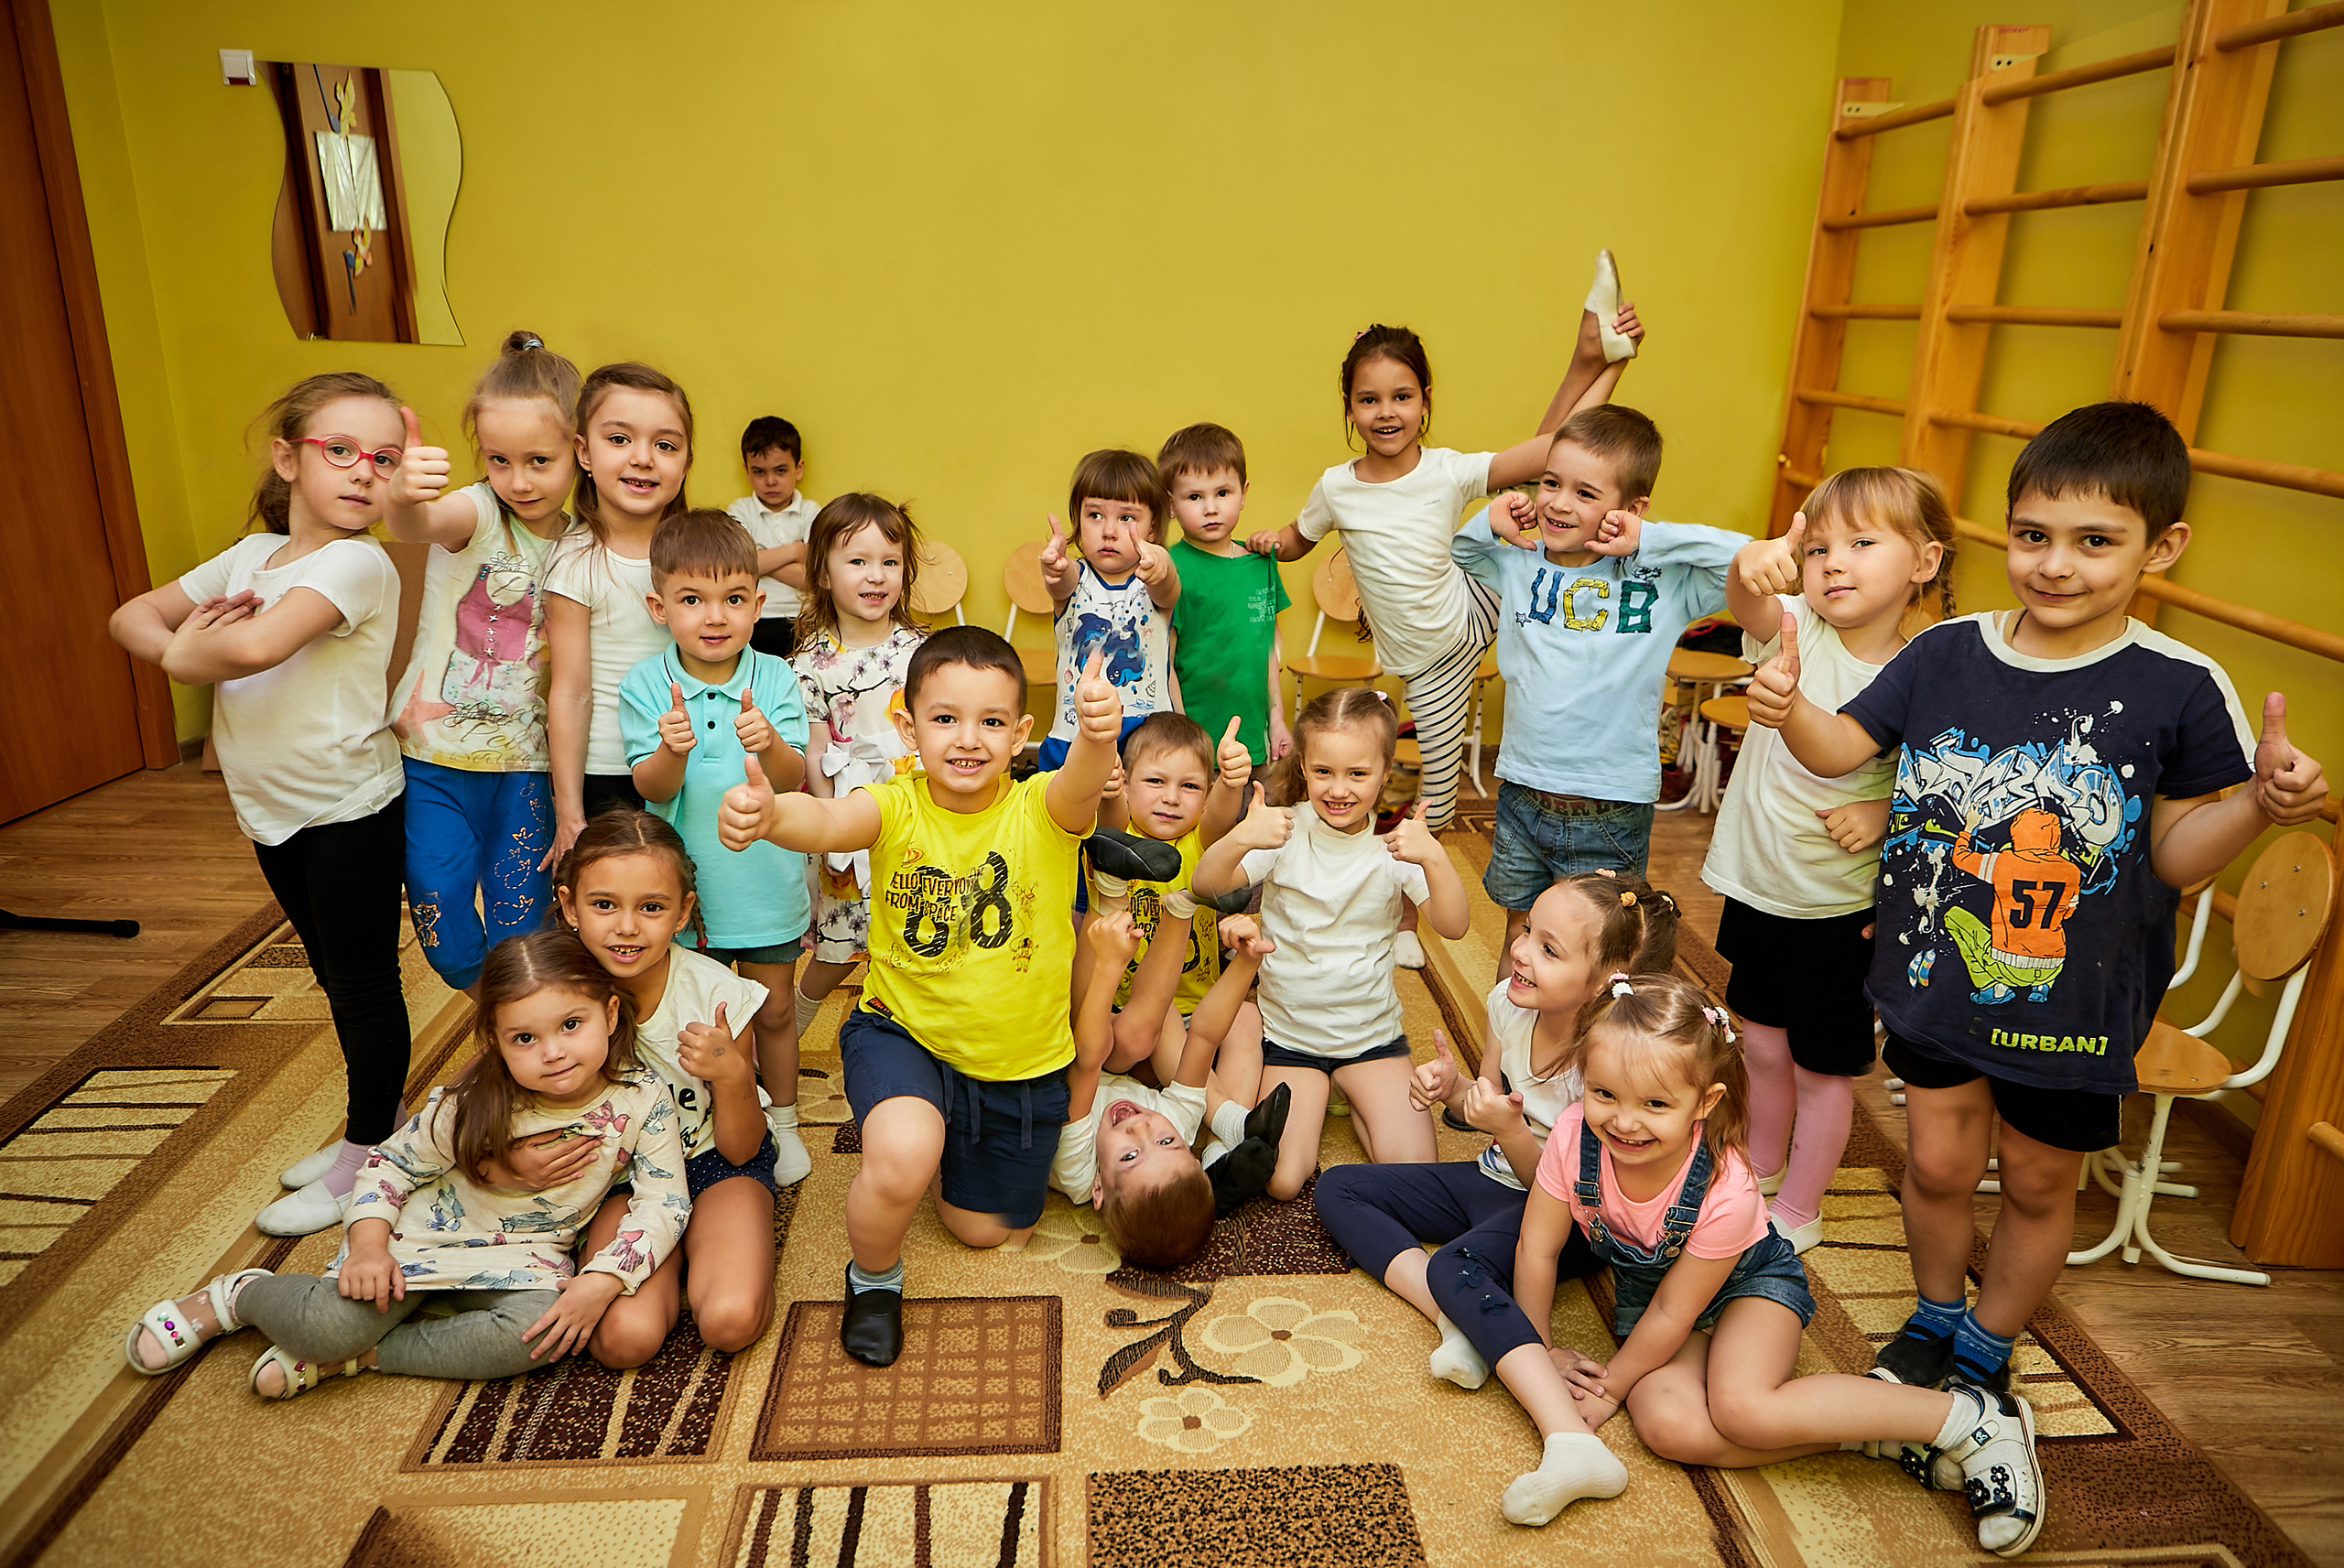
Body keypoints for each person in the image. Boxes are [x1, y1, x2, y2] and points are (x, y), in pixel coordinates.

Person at [1747, 401, 2328, 1401]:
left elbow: (2179, 855)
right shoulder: (1944, 651)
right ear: (2004, 533)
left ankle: (1987, 1342)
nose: (2056, 565)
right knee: (1933, 1167)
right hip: (1932, 982)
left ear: (2162, 546)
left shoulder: (2182, 685)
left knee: (2035, 1181)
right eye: (2033, 537)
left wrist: (2259, 810)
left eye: (2094, 542)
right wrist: (1788, 706)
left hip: (2077, 1004)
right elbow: (1841, 750)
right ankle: (1933, 1318)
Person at [1493, 974, 2046, 1556]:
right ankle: (1873, 1436)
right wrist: (1541, 1348)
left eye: (1655, 1104)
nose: (1624, 1122)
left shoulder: (1726, 1185)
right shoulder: (1572, 1135)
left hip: (1750, 1287)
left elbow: (1673, 1310)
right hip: (1655, 1301)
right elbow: (1538, 1249)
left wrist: (1608, 1392)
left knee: (1743, 1410)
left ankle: (1972, 1416)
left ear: (1706, 1101)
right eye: (1605, 1094)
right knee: (1667, 1427)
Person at [717, 626, 1123, 1367]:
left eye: (991, 722)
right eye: (945, 719)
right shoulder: (893, 803)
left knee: (987, 1227)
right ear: (907, 725)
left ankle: (950, 1143)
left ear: (1021, 734)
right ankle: (874, 1277)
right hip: (902, 1031)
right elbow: (830, 820)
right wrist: (773, 814)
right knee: (903, 1158)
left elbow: (1083, 780)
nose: (968, 740)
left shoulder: (1043, 809)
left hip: (1018, 1060)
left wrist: (1098, 731)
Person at [122, 930, 688, 1398]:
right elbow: (390, 1167)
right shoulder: (470, 1104)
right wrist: (368, 1246)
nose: (554, 1052)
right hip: (418, 1240)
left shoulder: (642, 1098)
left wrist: (603, 1279)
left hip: (531, 1255)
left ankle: (368, 1356)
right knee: (324, 1329)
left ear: (610, 1015)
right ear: (494, 1039)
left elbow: (665, 1199)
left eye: (571, 1025)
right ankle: (238, 1296)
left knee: (543, 1336)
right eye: (524, 1037)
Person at [108, 372, 413, 1238]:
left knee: (361, 984)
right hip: (272, 811)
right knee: (329, 971)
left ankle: (367, 1157)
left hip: (347, 807)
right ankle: (384, 1120)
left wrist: (187, 652)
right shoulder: (249, 558)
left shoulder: (358, 560)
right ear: (288, 457)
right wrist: (192, 642)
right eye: (340, 450)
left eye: (383, 458)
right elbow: (130, 614)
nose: (363, 472)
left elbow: (253, 647)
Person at [1245, 263, 1643, 830]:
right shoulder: (1337, 486)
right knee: (1429, 794)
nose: (1386, 413)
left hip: (1453, 637)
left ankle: (1591, 354)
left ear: (1425, 401)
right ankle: (1589, 354)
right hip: (1439, 635)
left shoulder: (1446, 471)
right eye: (1369, 400)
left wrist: (1616, 363)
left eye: (1401, 396)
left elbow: (1555, 448)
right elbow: (1294, 540)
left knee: (1434, 810)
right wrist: (1267, 542)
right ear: (1350, 408)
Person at [1702, 467, 1956, 1253]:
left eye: (1861, 543)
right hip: (1760, 884)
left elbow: (1947, 788)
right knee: (1764, 1044)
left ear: (1924, 561)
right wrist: (1758, 557)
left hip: (1837, 907)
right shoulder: (1796, 626)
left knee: (1823, 1068)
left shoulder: (1929, 666)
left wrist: (1882, 813)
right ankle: (1765, 1167)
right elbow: (1747, 592)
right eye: (1818, 548)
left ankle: (1802, 1207)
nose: (1833, 563)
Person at [1313, 871, 1677, 1390]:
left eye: (1550, 950)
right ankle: (1455, 1320)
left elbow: (1574, 1196)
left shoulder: (1607, 1063)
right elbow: (1484, 1102)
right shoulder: (1508, 1002)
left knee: (1459, 1265)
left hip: (1564, 1219)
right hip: (1494, 1177)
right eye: (1528, 930)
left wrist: (1509, 1132)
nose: (1521, 950)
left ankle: (1522, 1348)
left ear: (1604, 980)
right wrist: (1452, 1087)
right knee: (1338, 1186)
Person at [1453, 406, 1743, 968]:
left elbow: (1749, 556)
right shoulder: (1519, 560)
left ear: (1630, 510)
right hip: (1521, 792)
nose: (1558, 503)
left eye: (1585, 493)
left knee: (1597, 946)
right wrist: (1491, 519)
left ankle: (1587, 1053)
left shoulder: (1663, 580)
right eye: (1550, 483)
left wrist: (1649, 539)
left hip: (1610, 804)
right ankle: (1510, 1044)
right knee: (1523, 932)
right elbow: (1462, 550)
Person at [1192, 688, 1470, 1202]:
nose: (1338, 790)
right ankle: (1339, 1095)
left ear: (1386, 773)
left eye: (1357, 775)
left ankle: (1358, 1098)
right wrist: (1241, 837)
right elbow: (1206, 885)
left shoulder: (1396, 845)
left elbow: (1454, 926)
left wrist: (1434, 858)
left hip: (1372, 1039)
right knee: (1281, 1181)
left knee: (1414, 1176)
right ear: (1304, 766)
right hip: (1291, 1040)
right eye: (1323, 772)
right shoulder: (1287, 830)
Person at [383, 330, 585, 997]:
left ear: (578, 452)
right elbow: (418, 524)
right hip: (434, 758)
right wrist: (405, 495)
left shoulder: (584, 539)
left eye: (538, 460)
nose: (518, 480)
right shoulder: (477, 510)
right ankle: (494, 1013)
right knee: (443, 932)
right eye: (499, 459)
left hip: (526, 767)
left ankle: (518, 1035)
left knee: (521, 930)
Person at [619, 509, 813, 1183]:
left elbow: (794, 782)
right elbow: (649, 783)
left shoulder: (777, 679)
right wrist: (672, 750)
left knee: (777, 1005)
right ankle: (699, 1122)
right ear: (658, 605)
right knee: (695, 1015)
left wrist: (773, 745)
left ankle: (782, 1119)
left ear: (758, 605)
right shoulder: (645, 685)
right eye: (692, 599)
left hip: (765, 879)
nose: (715, 616)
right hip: (684, 889)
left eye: (734, 599)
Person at [552, 811, 780, 1364]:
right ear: (568, 907)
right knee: (622, 1343)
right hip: (617, 1178)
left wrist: (730, 1074)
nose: (627, 927)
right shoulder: (550, 993)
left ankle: (701, 1256)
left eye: (651, 907)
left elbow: (741, 1148)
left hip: (714, 1165)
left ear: (683, 912)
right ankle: (670, 1262)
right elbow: (494, 1097)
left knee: (729, 1321)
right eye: (604, 904)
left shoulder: (717, 994)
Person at [1056, 910, 1286, 1269]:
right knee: (1162, 1021)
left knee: (1105, 1028)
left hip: (1067, 1064)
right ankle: (1179, 911)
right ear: (1188, 1150)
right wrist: (1246, 963)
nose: (1141, 1129)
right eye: (1167, 1143)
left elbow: (1086, 1061)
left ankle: (1114, 892)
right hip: (1113, 1065)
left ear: (1098, 1189)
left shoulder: (1077, 1168)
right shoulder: (1174, 1121)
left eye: (1129, 1157)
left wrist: (1109, 966)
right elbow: (1204, 1037)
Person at [787, 493, 928, 1032]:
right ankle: (796, 1021)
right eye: (858, 561)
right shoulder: (807, 665)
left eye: (890, 563)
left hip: (915, 807)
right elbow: (818, 749)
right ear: (823, 573)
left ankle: (917, 1038)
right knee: (839, 942)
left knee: (919, 928)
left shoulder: (922, 652)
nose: (876, 576)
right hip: (847, 811)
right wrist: (829, 826)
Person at [546, 362, 696, 860]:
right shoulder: (575, 560)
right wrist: (569, 813)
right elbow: (570, 691)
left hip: (699, 763)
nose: (643, 459)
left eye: (666, 445)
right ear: (584, 452)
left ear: (686, 461)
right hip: (609, 772)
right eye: (619, 439)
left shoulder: (700, 555)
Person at [1081, 711, 1255, 1084]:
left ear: (1206, 796)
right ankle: (1223, 1119)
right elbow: (1110, 830)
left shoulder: (1202, 843)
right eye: (1155, 781)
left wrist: (1231, 781)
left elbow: (1221, 817)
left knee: (1248, 1018)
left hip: (1203, 1005)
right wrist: (1108, 790)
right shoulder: (1113, 837)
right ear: (1127, 784)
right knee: (1165, 1018)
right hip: (1132, 1014)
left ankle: (1236, 1130)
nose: (1172, 798)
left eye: (1190, 787)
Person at [1035, 449, 1178, 770]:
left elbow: (1167, 585)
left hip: (1145, 735)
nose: (1109, 531)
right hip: (1075, 731)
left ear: (1152, 529)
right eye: (1095, 515)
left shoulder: (1153, 579)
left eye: (1127, 518)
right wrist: (1054, 569)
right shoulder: (1075, 578)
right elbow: (1061, 580)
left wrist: (1160, 565)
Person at [1158, 422, 1292, 766]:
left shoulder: (1261, 564)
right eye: (1194, 497)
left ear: (1244, 493)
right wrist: (1184, 736)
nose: (1211, 508)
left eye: (1223, 493)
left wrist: (1277, 721)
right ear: (1170, 504)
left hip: (1255, 741)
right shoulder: (1169, 570)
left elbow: (1268, 652)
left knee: (1260, 816)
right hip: (1196, 743)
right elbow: (1164, 661)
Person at [725, 415, 818, 658]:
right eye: (759, 472)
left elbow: (813, 578)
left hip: (801, 618)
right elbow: (736, 568)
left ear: (798, 469)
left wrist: (759, 561)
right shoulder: (739, 511)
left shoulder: (811, 512)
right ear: (746, 470)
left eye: (780, 470)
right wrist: (795, 551)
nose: (770, 481)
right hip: (752, 618)